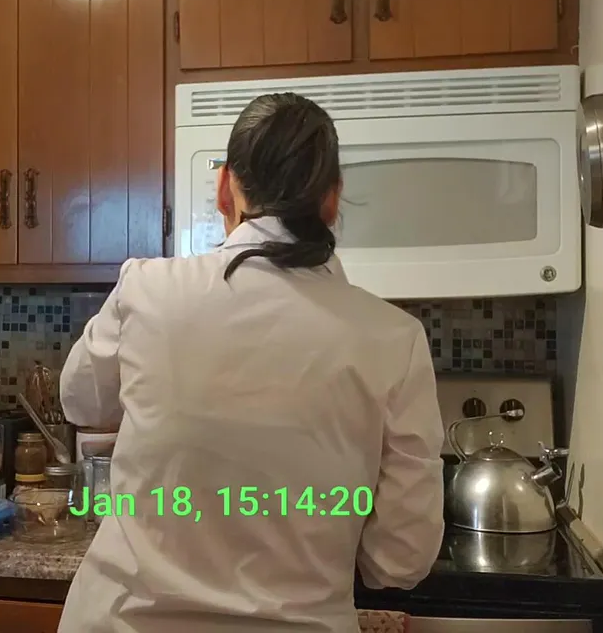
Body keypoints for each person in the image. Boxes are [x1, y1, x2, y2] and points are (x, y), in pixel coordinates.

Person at [57, 93, 444, 633]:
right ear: (332, 201)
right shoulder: (394, 339)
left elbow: (79, 402)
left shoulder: (146, 288)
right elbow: (399, 561)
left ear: (225, 188)